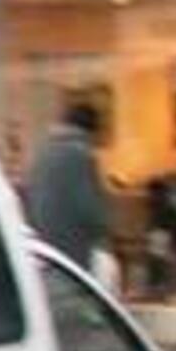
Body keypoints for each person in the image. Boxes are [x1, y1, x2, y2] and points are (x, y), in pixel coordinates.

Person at [27, 98, 111, 274]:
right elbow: (88, 207)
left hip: (43, 244)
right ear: (91, 130)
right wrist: (105, 228)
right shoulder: (80, 155)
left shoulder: (44, 152)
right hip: (72, 245)